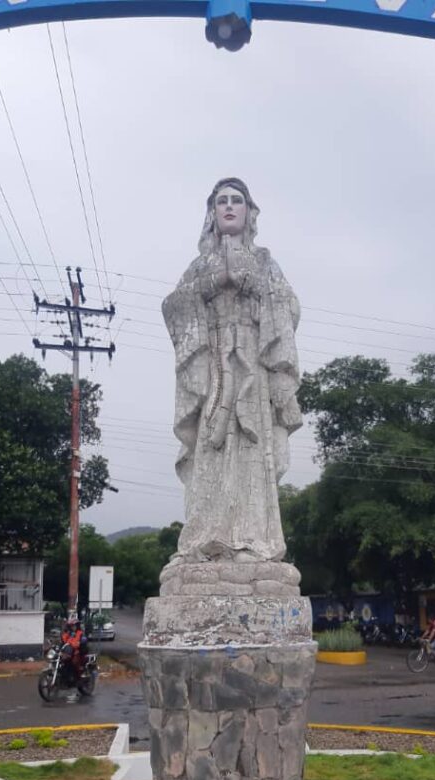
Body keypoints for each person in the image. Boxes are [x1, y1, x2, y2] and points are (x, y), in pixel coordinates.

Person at [161, 177, 303, 567]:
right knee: (210, 449)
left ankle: (253, 542)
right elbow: (174, 307)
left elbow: (289, 307)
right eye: (221, 201)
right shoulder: (200, 265)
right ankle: (204, 541)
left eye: (236, 200)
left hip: (254, 367)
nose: (228, 206)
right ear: (212, 212)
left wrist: (254, 286)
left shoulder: (264, 261)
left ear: (248, 211)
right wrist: (212, 283)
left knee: (253, 453)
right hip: (213, 370)